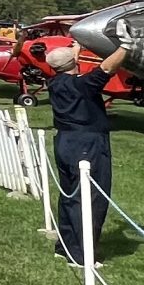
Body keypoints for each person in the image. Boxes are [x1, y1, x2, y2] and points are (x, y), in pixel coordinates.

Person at [45, 40, 131, 265]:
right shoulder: (83, 85)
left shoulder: (54, 82)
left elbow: (71, 61)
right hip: (88, 144)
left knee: (69, 195)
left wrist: (78, 44)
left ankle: (65, 246)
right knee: (91, 198)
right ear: (74, 62)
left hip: (64, 141)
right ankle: (81, 255)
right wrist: (127, 47)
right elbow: (107, 68)